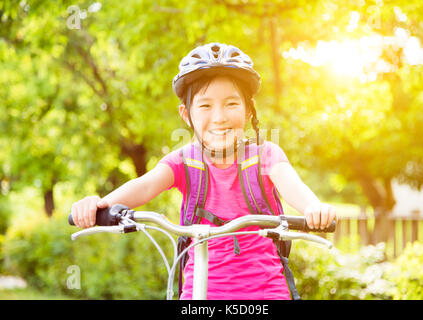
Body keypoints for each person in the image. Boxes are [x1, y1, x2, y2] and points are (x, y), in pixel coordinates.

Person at [70, 43, 337, 300]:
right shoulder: (184, 162)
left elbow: (291, 184)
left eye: (231, 104)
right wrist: (101, 204)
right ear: (186, 114)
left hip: (265, 293)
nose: (219, 116)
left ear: (247, 111)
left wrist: (313, 207)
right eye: (206, 106)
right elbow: (144, 185)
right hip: (199, 294)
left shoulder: (265, 156)